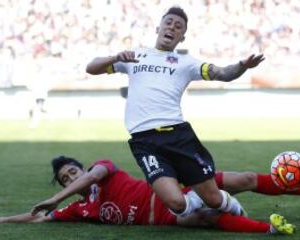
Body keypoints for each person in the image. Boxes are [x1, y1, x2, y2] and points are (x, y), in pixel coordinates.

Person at [85, 6, 265, 218]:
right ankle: (198, 203)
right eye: (168, 23)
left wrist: (242, 66)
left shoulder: (186, 63)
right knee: (176, 204)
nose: (172, 27)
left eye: (178, 26)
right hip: (144, 141)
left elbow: (223, 73)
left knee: (214, 199)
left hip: (178, 136)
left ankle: (229, 206)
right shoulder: (135, 56)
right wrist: (114, 57)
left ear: (182, 37)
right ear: (158, 28)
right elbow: (91, 68)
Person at [0, 156, 300, 234]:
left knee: (242, 179)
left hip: (177, 186)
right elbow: (39, 216)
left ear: (83, 170)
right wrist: (3, 219)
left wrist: (58, 196)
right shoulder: (81, 210)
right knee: (202, 219)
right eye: (66, 178)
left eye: (74, 171)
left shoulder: (103, 169)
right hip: (169, 214)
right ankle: (267, 228)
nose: (73, 177)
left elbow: (96, 172)